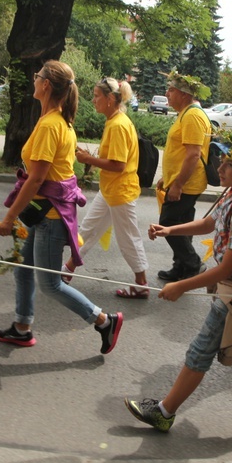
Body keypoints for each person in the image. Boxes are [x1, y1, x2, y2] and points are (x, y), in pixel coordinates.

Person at [125, 135, 232, 433]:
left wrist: (182, 286)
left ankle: (164, 412)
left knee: (201, 350)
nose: (220, 168)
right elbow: (209, 223)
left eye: (229, 164)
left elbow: (229, 266)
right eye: (221, 161)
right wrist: (170, 229)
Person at [0, 60, 123, 354]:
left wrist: (9, 217)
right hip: (46, 214)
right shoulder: (55, 120)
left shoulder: (52, 124)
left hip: (49, 217)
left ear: (46, 85)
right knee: (24, 269)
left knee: (50, 284)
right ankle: (22, 327)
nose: (34, 78)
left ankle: (105, 321)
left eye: (37, 75)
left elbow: (36, 179)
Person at [61, 78, 149, 298]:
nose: (93, 100)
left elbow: (118, 165)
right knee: (88, 229)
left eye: (97, 95)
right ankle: (67, 270)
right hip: (111, 189)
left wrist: (89, 158)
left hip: (120, 191)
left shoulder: (118, 124)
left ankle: (142, 284)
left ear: (110, 99)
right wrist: (89, 157)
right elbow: (113, 160)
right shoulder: (115, 120)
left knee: (128, 238)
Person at [155, 70, 211, 282]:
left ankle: (193, 264)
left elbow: (194, 154)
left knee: (168, 222)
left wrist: (177, 184)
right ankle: (181, 267)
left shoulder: (193, 116)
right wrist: (167, 178)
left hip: (187, 184)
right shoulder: (186, 114)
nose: (167, 93)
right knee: (182, 225)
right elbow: (180, 152)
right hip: (180, 181)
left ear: (185, 95)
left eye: (171, 90)